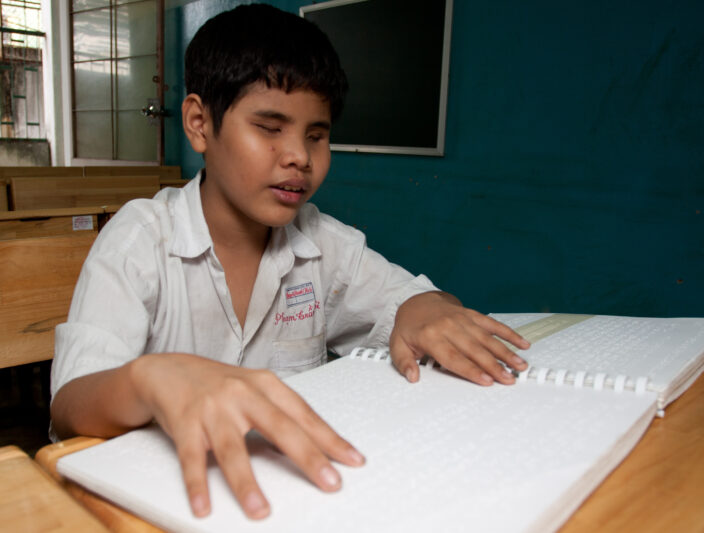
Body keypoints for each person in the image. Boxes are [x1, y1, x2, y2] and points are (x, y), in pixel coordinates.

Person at [50, 3, 530, 521]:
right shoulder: (140, 240)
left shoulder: (323, 244)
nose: (299, 155)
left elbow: (416, 303)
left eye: (317, 135)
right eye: (270, 127)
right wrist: (149, 379)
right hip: (154, 504)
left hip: (285, 501)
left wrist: (426, 307)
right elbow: (72, 405)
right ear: (198, 123)